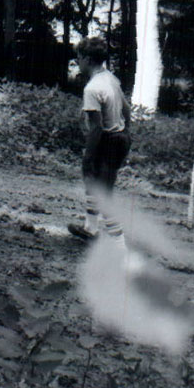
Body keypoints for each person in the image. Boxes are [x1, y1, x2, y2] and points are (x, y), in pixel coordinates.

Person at [68, 37, 132, 245]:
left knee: (102, 192)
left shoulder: (92, 88)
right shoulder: (110, 78)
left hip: (107, 141)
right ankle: (91, 228)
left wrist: (88, 156)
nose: (77, 60)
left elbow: (96, 128)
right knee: (94, 185)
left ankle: (119, 243)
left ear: (87, 58)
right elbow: (126, 109)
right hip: (120, 138)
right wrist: (126, 133)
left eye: (79, 57)